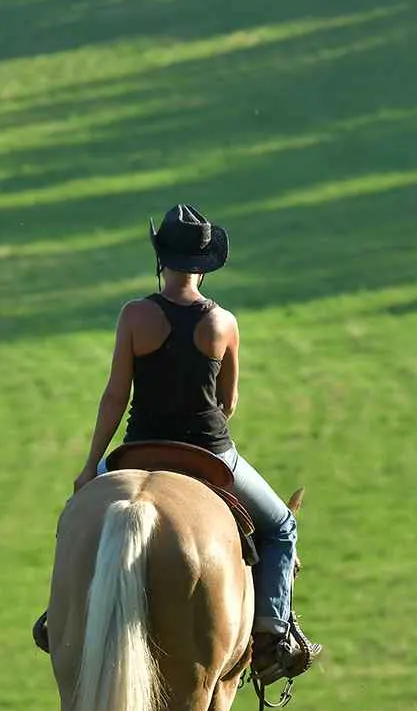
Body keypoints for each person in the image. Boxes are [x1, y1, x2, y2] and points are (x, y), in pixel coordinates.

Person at [52, 204, 321, 681]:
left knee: (76, 518)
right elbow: (229, 402)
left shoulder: (135, 316)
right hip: (209, 453)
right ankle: (271, 636)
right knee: (281, 526)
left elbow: (116, 394)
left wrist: (91, 462)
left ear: (162, 259)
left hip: (139, 450)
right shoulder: (223, 324)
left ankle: (59, 618)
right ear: (204, 264)